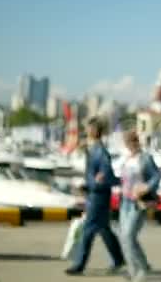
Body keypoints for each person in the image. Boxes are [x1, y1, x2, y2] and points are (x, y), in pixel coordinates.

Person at [65, 117, 125, 276]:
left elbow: (106, 176)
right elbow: (96, 175)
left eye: (89, 128)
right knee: (104, 230)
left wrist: (95, 183)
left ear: (95, 131)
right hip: (95, 194)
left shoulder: (100, 151)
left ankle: (79, 265)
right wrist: (87, 185)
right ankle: (119, 259)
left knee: (88, 230)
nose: (87, 131)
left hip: (98, 197)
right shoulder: (93, 149)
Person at [118, 130, 161, 282]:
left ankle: (141, 269)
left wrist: (146, 187)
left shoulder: (145, 158)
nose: (128, 144)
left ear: (136, 142)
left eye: (131, 141)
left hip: (138, 203)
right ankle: (133, 270)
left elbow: (156, 176)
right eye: (126, 142)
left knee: (129, 236)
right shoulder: (127, 158)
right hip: (125, 202)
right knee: (124, 238)